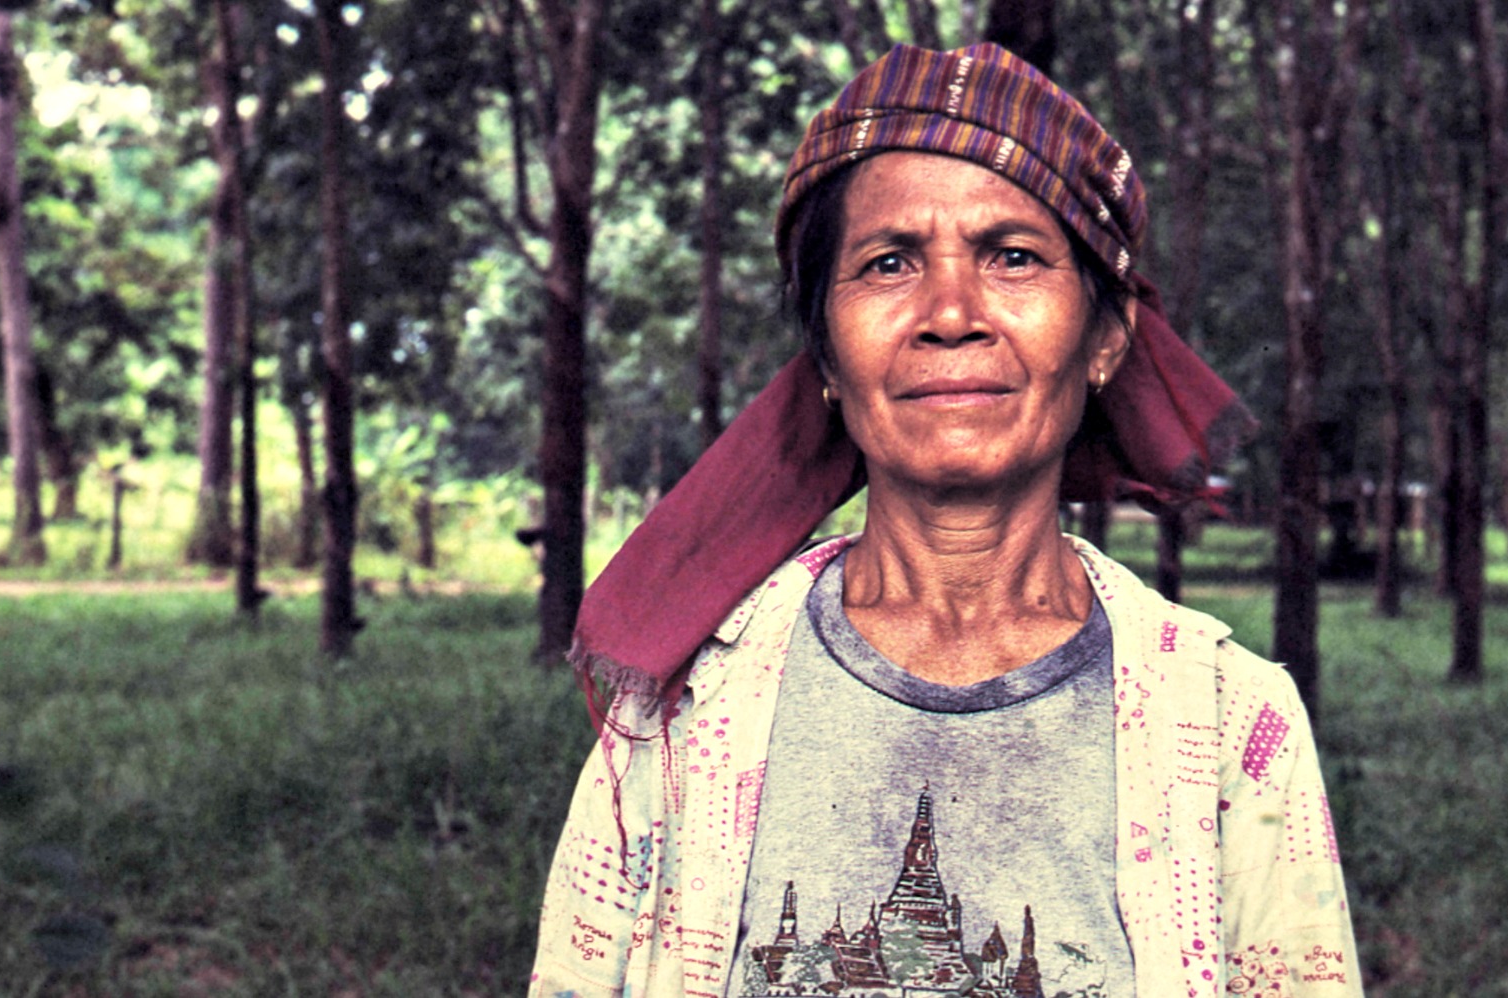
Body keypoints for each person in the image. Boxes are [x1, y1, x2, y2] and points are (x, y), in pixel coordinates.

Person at [529, 43, 1362, 998]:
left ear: (1103, 340)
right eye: (889, 264)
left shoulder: (1228, 721)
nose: (952, 312)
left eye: (1013, 257)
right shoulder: (683, 708)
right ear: (830, 360)